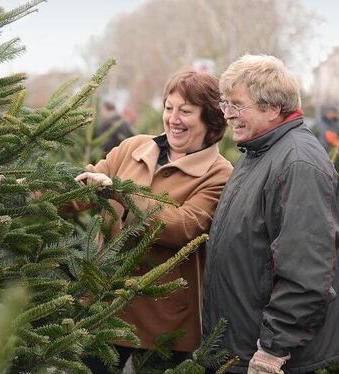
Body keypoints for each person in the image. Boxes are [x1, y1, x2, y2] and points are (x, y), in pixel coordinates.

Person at [201, 55, 339, 373]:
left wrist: (272, 350)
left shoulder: (298, 164)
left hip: (270, 359)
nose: (227, 115)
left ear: (273, 108)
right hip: (237, 348)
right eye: (225, 104)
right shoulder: (258, 151)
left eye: (237, 105)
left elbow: (307, 271)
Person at [76, 69, 233, 371]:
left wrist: (122, 194)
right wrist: (15, 189)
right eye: (169, 107)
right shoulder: (133, 148)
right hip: (105, 304)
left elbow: (182, 227)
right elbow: (84, 187)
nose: (173, 119)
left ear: (211, 120)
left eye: (186, 111)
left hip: (165, 320)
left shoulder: (218, 173)